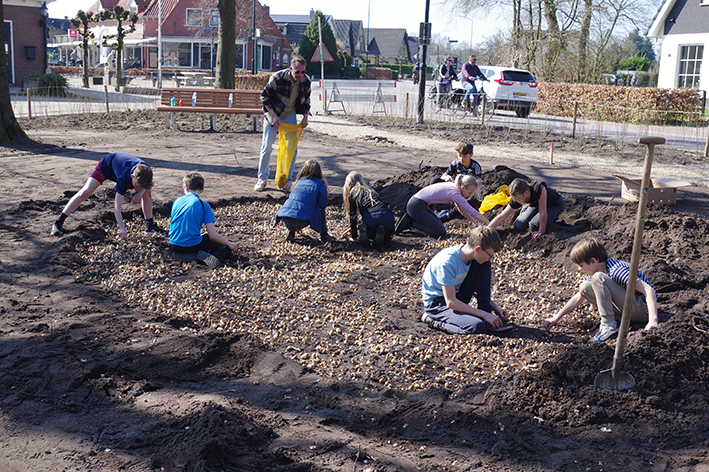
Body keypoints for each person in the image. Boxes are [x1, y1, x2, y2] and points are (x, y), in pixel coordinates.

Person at [543, 238, 659, 343]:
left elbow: (649, 290)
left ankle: (609, 326)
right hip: (627, 308)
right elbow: (579, 297)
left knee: (598, 278)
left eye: (581, 265)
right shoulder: (597, 271)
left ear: (593, 261)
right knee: (585, 287)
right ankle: (615, 320)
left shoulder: (616, 270)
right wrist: (556, 318)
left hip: (643, 309)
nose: (579, 269)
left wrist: (653, 321)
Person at [421, 225, 510, 334]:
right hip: (438, 304)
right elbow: (451, 302)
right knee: (476, 327)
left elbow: (477, 291)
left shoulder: (473, 258)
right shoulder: (448, 263)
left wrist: (496, 308)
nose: (490, 258)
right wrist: (484, 315)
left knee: (484, 264)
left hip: (457, 295)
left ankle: (485, 312)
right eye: (490, 255)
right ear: (477, 249)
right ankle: (432, 320)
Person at [51, 152, 163, 239]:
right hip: (106, 166)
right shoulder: (124, 178)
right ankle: (58, 222)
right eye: (137, 186)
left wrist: (140, 193)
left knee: (147, 192)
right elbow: (117, 206)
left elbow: (148, 185)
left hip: (123, 169)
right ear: (132, 176)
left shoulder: (146, 172)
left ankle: (149, 225)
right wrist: (122, 228)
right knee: (85, 192)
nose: (137, 189)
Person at [254, 55, 311, 193]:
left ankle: (287, 181)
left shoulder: (305, 81)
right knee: (267, 147)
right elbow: (264, 97)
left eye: (302, 72)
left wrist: (305, 117)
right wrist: (273, 116)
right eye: (297, 71)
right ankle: (262, 179)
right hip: (273, 114)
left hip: (289, 115)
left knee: (292, 149)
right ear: (291, 68)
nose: (300, 75)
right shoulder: (277, 78)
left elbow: (306, 100)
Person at [168, 172, 238, 269]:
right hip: (191, 245)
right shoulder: (203, 204)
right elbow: (212, 235)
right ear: (202, 190)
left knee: (203, 237)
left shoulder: (176, 202)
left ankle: (180, 254)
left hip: (173, 243)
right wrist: (229, 244)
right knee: (224, 248)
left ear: (186, 187)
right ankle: (197, 259)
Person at [395, 174, 493, 238]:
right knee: (441, 233)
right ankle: (411, 222)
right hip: (416, 206)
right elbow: (473, 211)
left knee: (439, 224)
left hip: (420, 204)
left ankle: (411, 220)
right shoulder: (455, 193)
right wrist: (491, 225)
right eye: (469, 192)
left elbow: (461, 209)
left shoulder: (454, 188)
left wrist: (474, 222)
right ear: (463, 187)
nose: (470, 195)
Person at [275, 159, 331, 243]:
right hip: (302, 221)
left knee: (295, 203)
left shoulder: (298, 182)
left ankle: (291, 232)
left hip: (285, 219)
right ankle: (324, 234)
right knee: (320, 208)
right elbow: (323, 203)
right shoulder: (320, 183)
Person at [488, 178, 564, 239]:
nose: (514, 200)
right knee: (518, 225)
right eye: (513, 197)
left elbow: (543, 212)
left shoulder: (538, 189)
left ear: (526, 193)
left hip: (554, 204)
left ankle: (552, 218)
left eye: (516, 197)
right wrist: (488, 229)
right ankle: (526, 209)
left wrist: (541, 230)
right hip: (535, 205)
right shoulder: (517, 198)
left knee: (534, 225)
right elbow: (502, 216)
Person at [430, 142, 482, 223]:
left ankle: (447, 215)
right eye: (460, 156)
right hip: (455, 187)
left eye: (464, 157)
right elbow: (444, 175)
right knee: (435, 180)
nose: (461, 159)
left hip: (466, 191)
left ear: (471, 155)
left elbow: (477, 185)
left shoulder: (476, 167)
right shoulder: (456, 162)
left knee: (469, 201)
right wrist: (446, 177)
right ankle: (430, 207)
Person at [342, 171, 395, 249]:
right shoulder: (371, 190)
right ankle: (383, 235)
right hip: (386, 214)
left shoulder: (354, 192)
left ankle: (366, 234)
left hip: (370, 217)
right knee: (389, 235)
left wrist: (354, 236)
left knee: (370, 231)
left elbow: (352, 217)